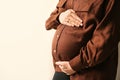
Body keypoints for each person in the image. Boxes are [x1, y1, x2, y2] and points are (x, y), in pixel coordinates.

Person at [45, 0, 120, 80]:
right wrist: (60, 17)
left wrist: (75, 64)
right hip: (61, 69)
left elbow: (106, 38)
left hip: (89, 72)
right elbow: (48, 23)